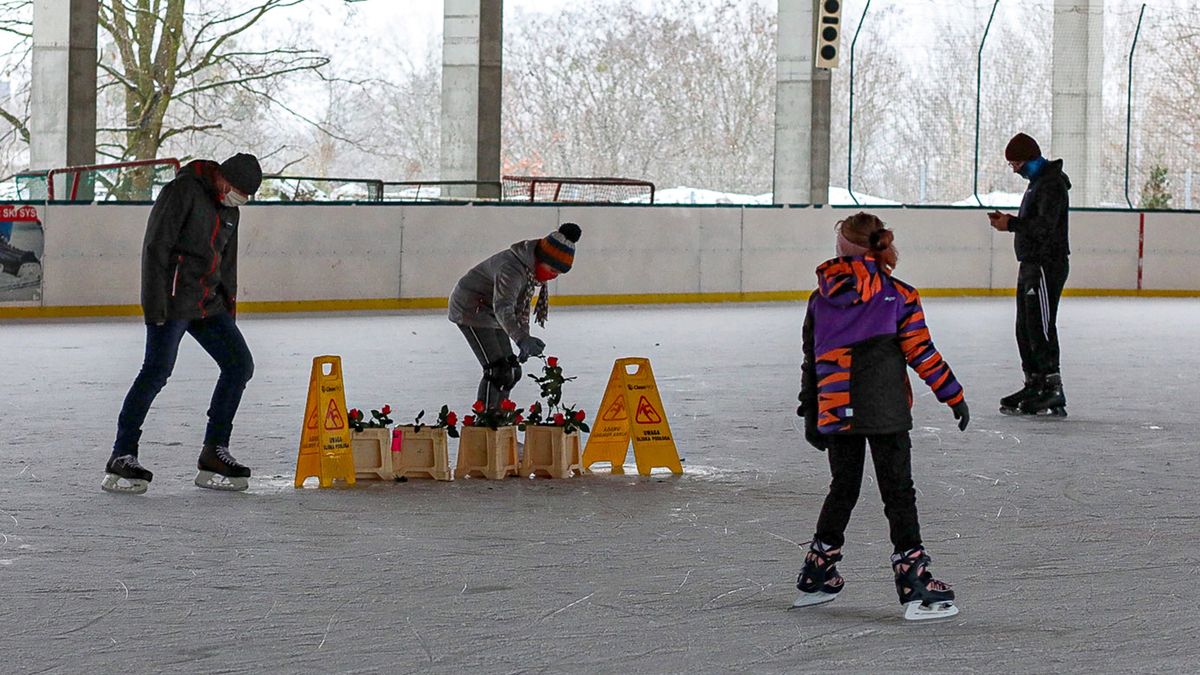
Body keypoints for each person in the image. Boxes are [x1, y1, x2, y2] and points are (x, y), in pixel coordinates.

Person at [794, 212, 968, 621]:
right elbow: (921, 353)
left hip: (836, 406)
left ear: (844, 247)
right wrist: (952, 395)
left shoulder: (821, 299)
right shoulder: (899, 295)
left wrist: (811, 411)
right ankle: (913, 579)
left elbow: (811, 360)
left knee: (843, 487)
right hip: (885, 410)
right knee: (898, 491)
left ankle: (818, 571)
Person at [102, 154, 263, 495]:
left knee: (239, 365)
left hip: (208, 302)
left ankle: (214, 451)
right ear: (222, 178)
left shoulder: (230, 210)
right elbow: (156, 247)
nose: (239, 199)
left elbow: (227, 264)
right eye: (237, 191)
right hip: (173, 300)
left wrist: (228, 308)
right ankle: (122, 453)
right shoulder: (182, 191)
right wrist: (156, 306)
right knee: (156, 371)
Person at [448, 223, 581, 409]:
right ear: (541, 259)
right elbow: (504, 306)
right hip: (470, 308)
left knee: (512, 370)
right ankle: (486, 425)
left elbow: (521, 307)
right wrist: (521, 338)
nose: (552, 277)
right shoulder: (512, 270)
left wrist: (523, 337)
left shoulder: (530, 269)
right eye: (552, 271)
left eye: (558, 274)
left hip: (491, 310)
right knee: (497, 370)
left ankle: (502, 421)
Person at [988, 132, 1071, 416]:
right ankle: (1034, 383)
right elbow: (1034, 223)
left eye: (1016, 163)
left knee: (1041, 325)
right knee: (1025, 326)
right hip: (1031, 264)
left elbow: (1045, 227)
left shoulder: (1051, 185)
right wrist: (1011, 223)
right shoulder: (1037, 184)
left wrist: (1011, 224)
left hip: (1047, 265)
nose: (1014, 169)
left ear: (1028, 159)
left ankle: (1052, 388)